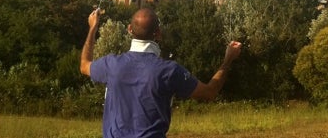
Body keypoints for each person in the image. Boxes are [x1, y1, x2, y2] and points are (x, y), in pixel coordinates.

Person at [80, 7, 242, 138]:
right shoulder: (169, 70)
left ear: (129, 29)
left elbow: (84, 65)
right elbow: (209, 93)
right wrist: (228, 60)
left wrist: (93, 28)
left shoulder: (111, 64)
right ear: (158, 33)